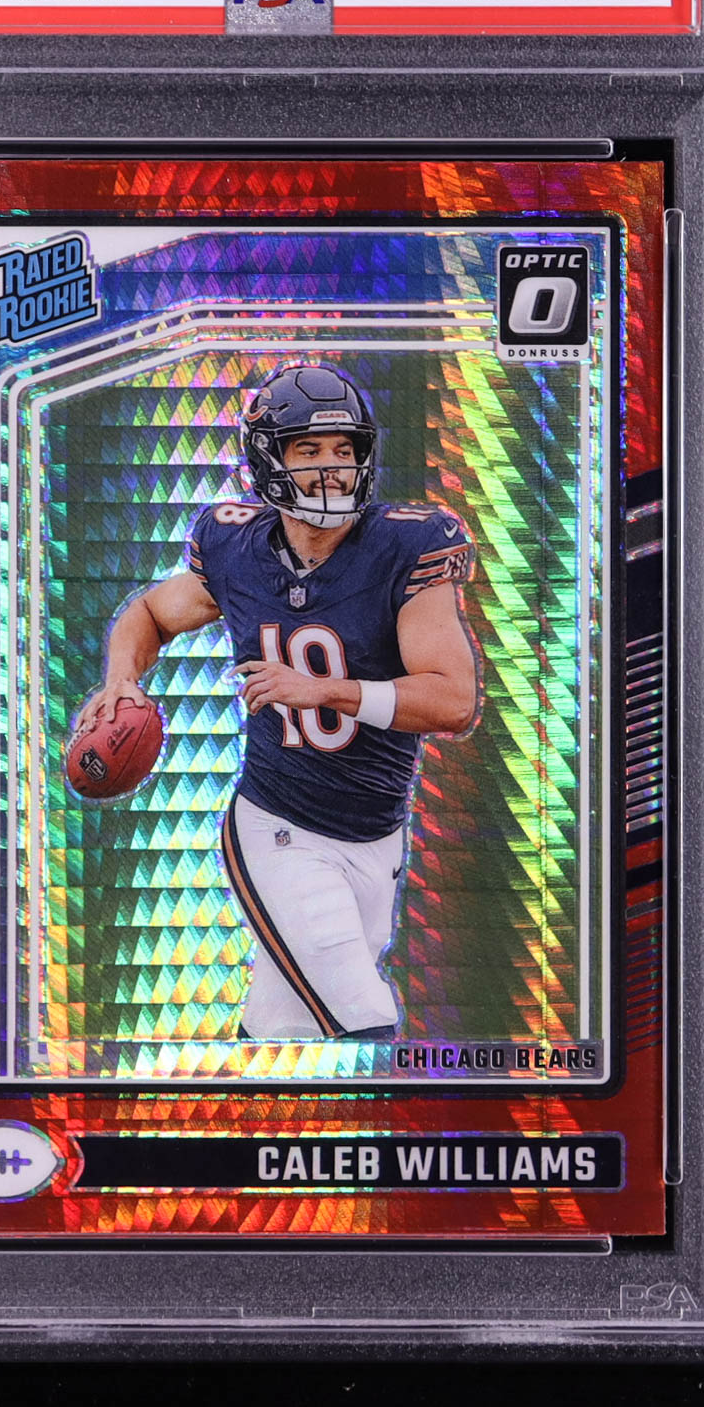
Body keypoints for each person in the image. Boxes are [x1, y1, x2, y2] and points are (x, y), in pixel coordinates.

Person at [78, 363, 480, 1041]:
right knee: (363, 1019)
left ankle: (232, 1105)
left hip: (377, 833)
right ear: (269, 460)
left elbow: (453, 701)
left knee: (285, 1030)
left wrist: (325, 690)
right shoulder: (235, 546)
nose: (331, 469)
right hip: (278, 827)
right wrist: (122, 677)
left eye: (344, 449)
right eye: (308, 449)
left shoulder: (405, 546)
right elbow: (149, 613)